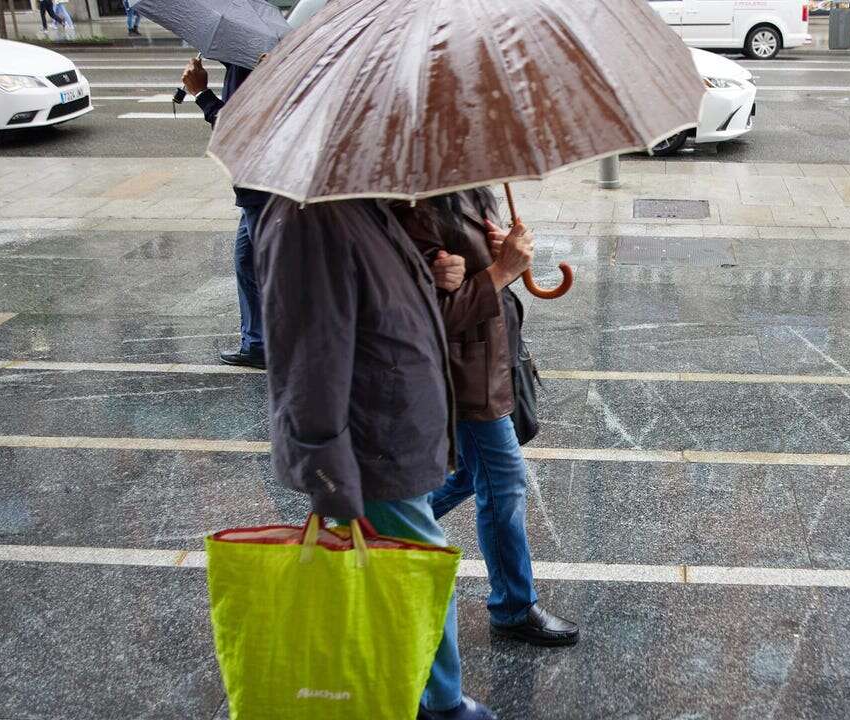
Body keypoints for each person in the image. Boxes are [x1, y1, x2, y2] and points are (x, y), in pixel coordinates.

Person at [256, 196, 498, 720]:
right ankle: (441, 703)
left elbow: (381, 307)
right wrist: (328, 470)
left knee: (407, 567)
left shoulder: (364, 209)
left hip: (394, 433)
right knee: (416, 570)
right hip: (372, 442)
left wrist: (436, 274)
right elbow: (309, 360)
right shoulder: (311, 221)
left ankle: (420, 692)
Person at [396, 189, 580, 648]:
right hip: (464, 373)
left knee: (472, 476)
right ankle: (513, 606)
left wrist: (501, 257)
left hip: (492, 360)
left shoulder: (471, 191)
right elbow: (429, 316)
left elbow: (478, 279)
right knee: (504, 481)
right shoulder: (417, 207)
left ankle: (382, 527)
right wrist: (500, 271)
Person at [182, 57, 269, 369]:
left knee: (269, 271)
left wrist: (201, 94)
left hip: (265, 187)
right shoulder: (239, 62)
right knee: (247, 262)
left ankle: (284, 347)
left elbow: (239, 130)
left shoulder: (250, 64)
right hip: (253, 188)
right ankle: (256, 343)